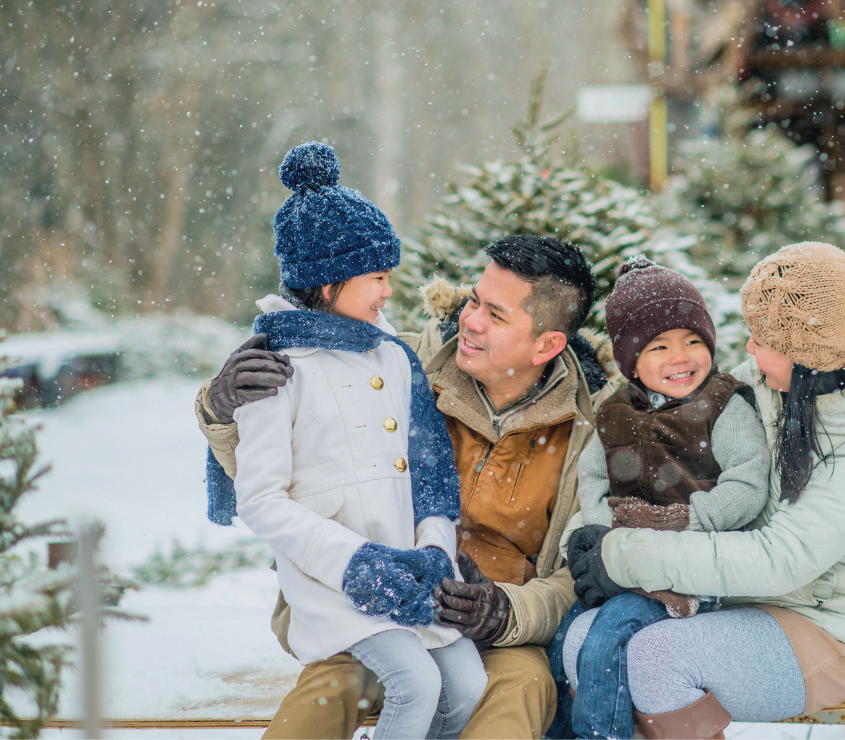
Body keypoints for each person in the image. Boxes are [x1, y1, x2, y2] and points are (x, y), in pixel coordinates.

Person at [197, 230, 619, 739]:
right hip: (367, 603)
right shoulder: (396, 363)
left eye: (496, 315)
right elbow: (286, 478)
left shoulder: (591, 431)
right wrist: (224, 411)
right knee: (338, 684)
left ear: (547, 344)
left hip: (495, 629)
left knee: (522, 686)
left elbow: (579, 575)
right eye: (474, 301)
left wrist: (506, 611)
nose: (470, 320)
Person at [567, 242, 845, 739]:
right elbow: (650, 460)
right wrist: (595, 530)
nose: (748, 349)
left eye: (761, 339)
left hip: (826, 631)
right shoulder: (773, 388)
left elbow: (781, 558)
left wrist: (624, 556)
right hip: (733, 603)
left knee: (656, 658)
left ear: (807, 357)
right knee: (583, 640)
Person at [228, 142, 486, 739]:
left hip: (413, 572)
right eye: (376, 277)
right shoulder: (276, 368)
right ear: (327, 283)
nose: (388, 291)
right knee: (416, 683)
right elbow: (261, 500)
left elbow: (431, 473)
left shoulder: (393, 357)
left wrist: (434, 551)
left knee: (467, 687)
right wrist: (355, 565)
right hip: (335, 583)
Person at [557, 257, 770, 740]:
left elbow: (748, 481)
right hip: (621, 567)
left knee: (606, 640)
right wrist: (609, 536)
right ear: (631, 361)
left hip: (689, 570)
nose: (681, 356)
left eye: (693, 341)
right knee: (562, 644)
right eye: (660, 346)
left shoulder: (723, 405)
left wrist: (686, 519)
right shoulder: (615, 411)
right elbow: (591, 480)